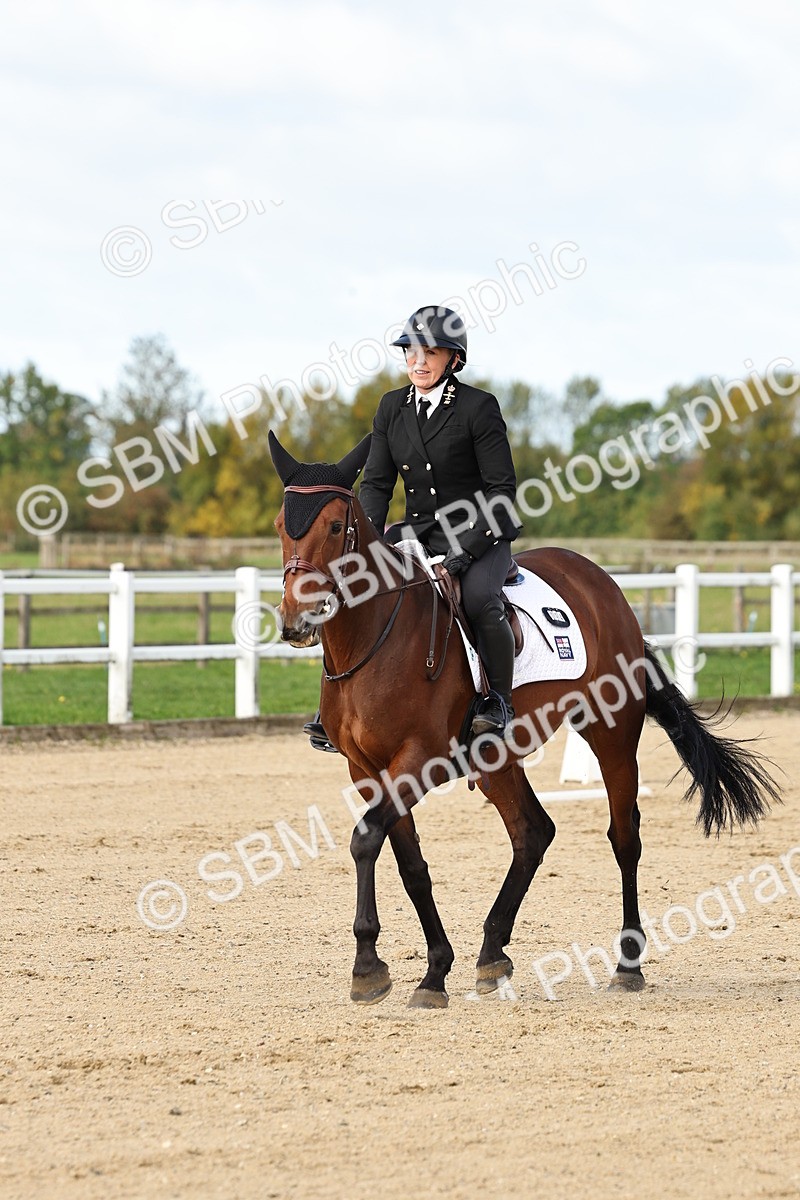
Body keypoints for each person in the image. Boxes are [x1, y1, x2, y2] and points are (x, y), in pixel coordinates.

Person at [304, 304, 521, 750]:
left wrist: (466, 553)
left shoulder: (479, 408)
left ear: (453, 359)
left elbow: (502, 492)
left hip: (480, 535)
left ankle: (498, 703)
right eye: (411, 352)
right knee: (354, 588)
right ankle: (335, 708)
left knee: (480, 600)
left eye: (431, 353)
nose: (418, 362)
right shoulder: (391, 408)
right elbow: (378, 486)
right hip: (416, 535)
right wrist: (362, 545)